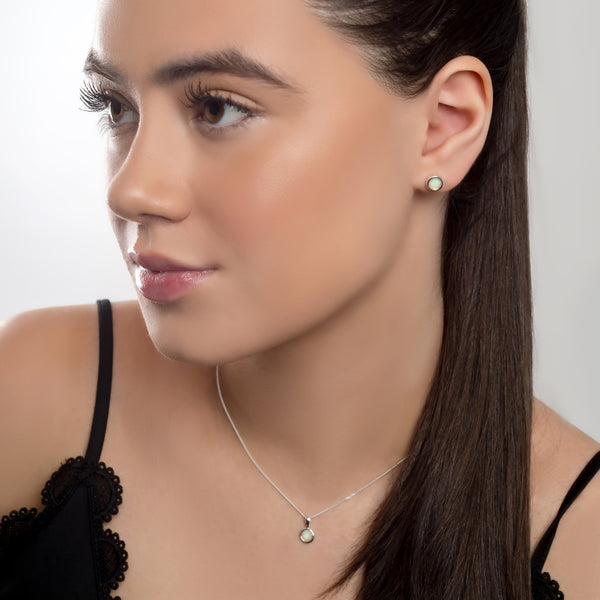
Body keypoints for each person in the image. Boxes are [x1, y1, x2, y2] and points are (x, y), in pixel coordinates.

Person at [0, 0, 599, 598]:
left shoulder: (585, 543)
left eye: (218, 108)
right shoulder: (32, 394)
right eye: (117, 106)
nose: (130, 189)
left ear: (443, 127)